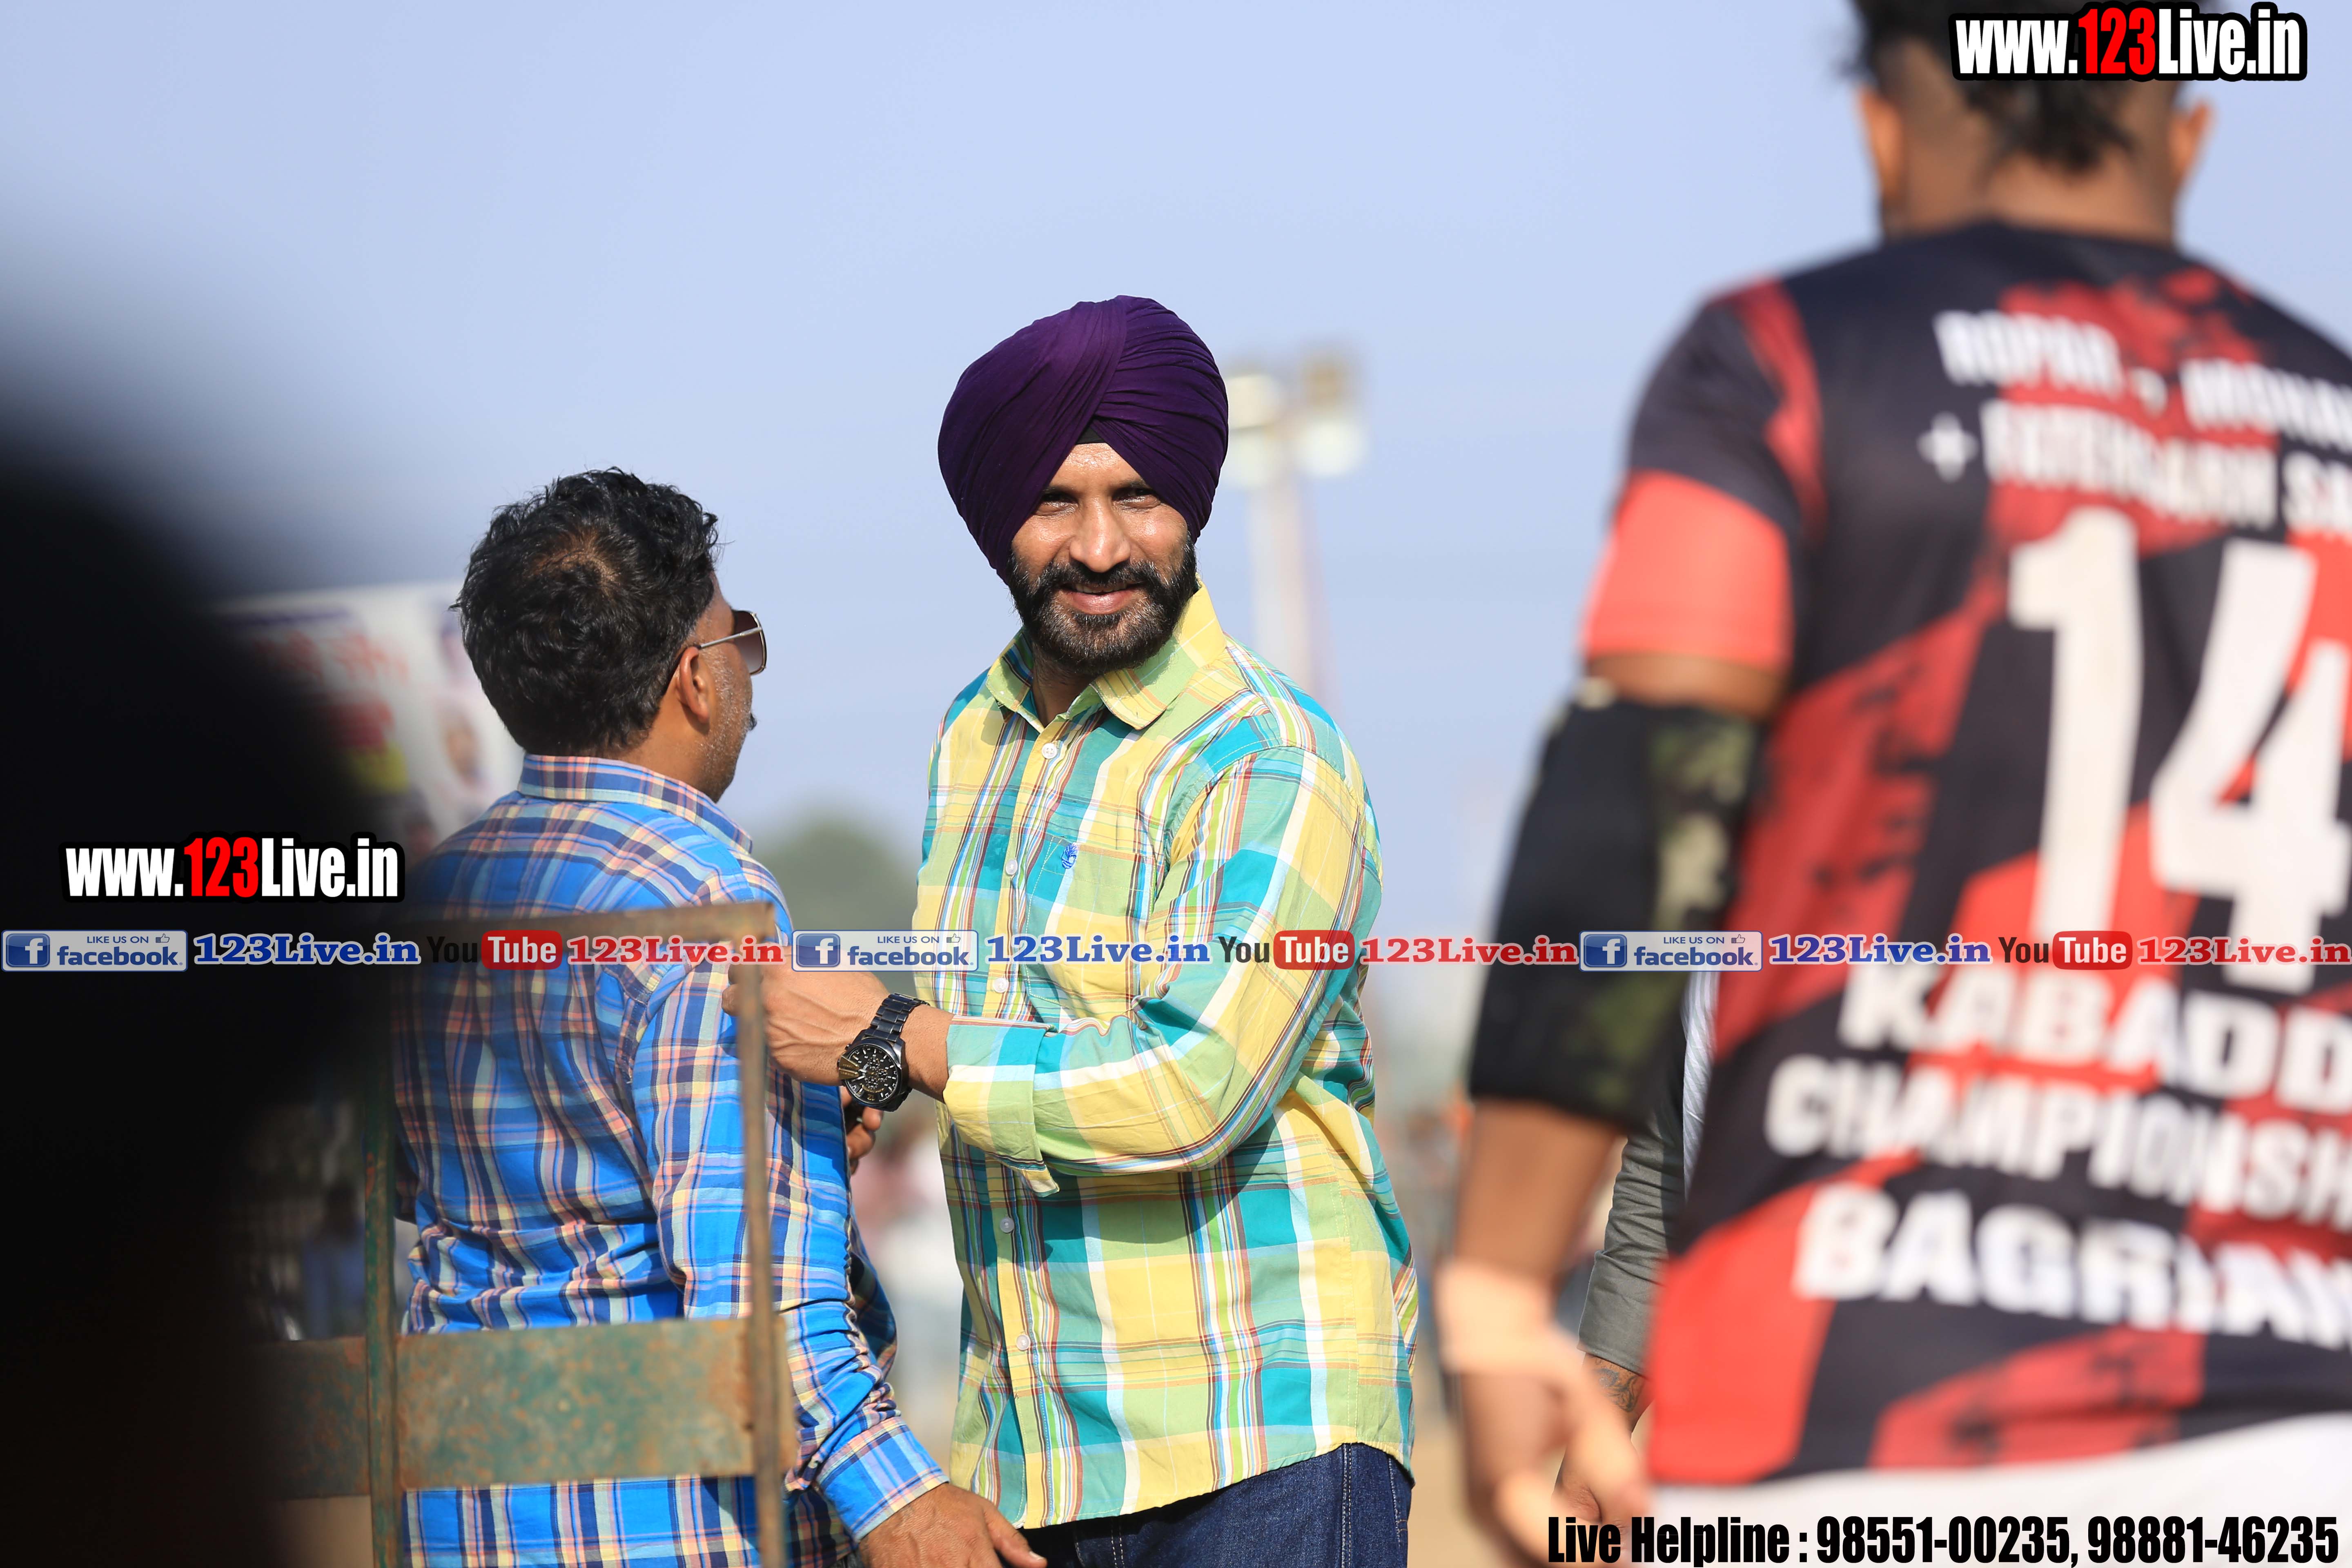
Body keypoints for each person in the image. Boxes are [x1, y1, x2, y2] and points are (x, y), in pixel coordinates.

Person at [1453, 0, 2352, 1546]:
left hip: (1857, 1415)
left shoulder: (1783, 370)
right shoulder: (2334, 423)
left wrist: (1494, 1288)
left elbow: (1637, 815)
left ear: (1883, 129)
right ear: (2191, 131)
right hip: (2283, 1428)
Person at [737, 297, 1417, 1567]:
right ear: (997, 514)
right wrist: (872, 1076)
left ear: (1194, 505)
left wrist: (904, 1039)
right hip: (1034, 1451)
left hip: (1260, 1438)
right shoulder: (974, 735)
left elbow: (1193, 1083)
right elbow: (1001, 1038)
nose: (1102, 546)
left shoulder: (1268, 756)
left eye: (1139, 497)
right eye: (1056, 502)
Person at [401, 470, 1037, 1568]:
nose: (750, 671)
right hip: (667, 1523)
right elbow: (757, 1283)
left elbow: (415, 1187)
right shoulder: (706, 903)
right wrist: (899, 1500)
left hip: (462, 1515)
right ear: (699, 680)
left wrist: (805, 1131)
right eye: (743, 639)